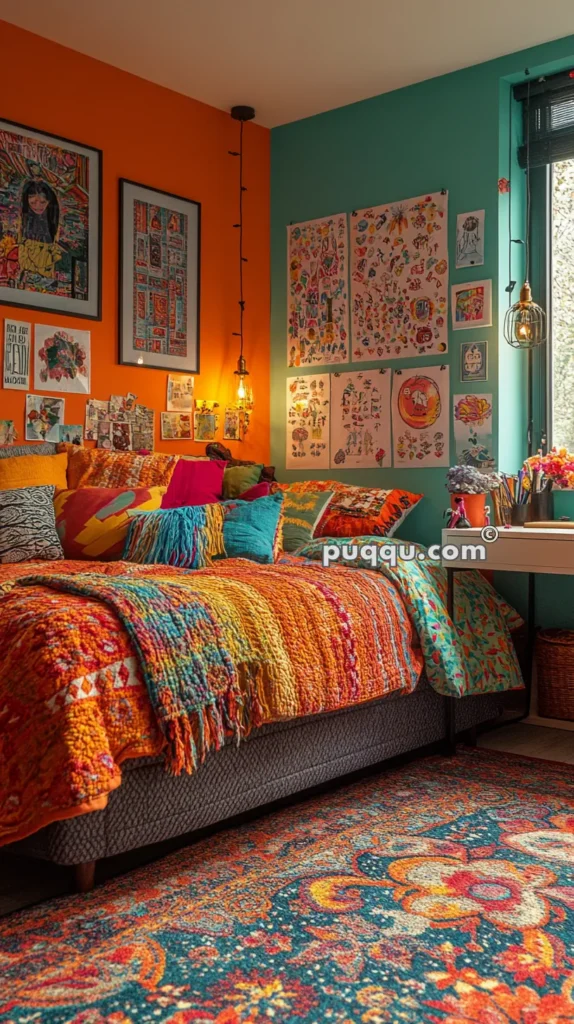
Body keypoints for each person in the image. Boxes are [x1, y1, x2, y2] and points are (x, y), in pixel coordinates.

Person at [19, 178, 63, 284]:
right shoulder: (23, 217)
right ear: (27, 200)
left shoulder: (53, 216)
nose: (38, 207)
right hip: (28, 263)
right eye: (33, 202)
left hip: (45, 264)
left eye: (43, 202)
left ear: (49, 200)